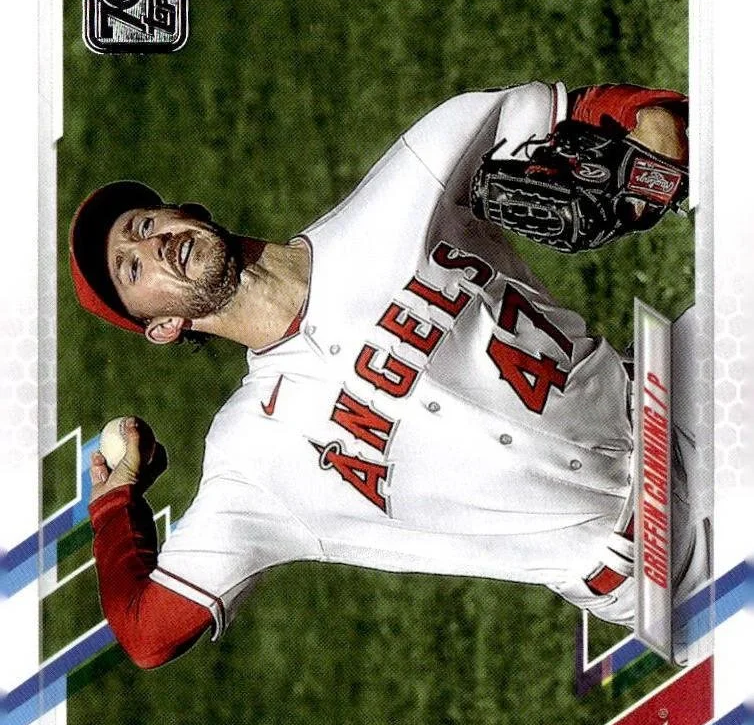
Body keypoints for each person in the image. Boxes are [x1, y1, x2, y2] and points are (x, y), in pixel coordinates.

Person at [69, 80, 695, 670]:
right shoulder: (251, 460)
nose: (151, 247)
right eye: (132, 269)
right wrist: (114, 506)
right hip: (665, 570)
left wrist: (653, 144)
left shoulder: (412, 181)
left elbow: (594, 111)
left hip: (684, 391)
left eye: (143, 226)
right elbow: (146, 634)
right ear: (163, 327)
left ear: (182, 211)